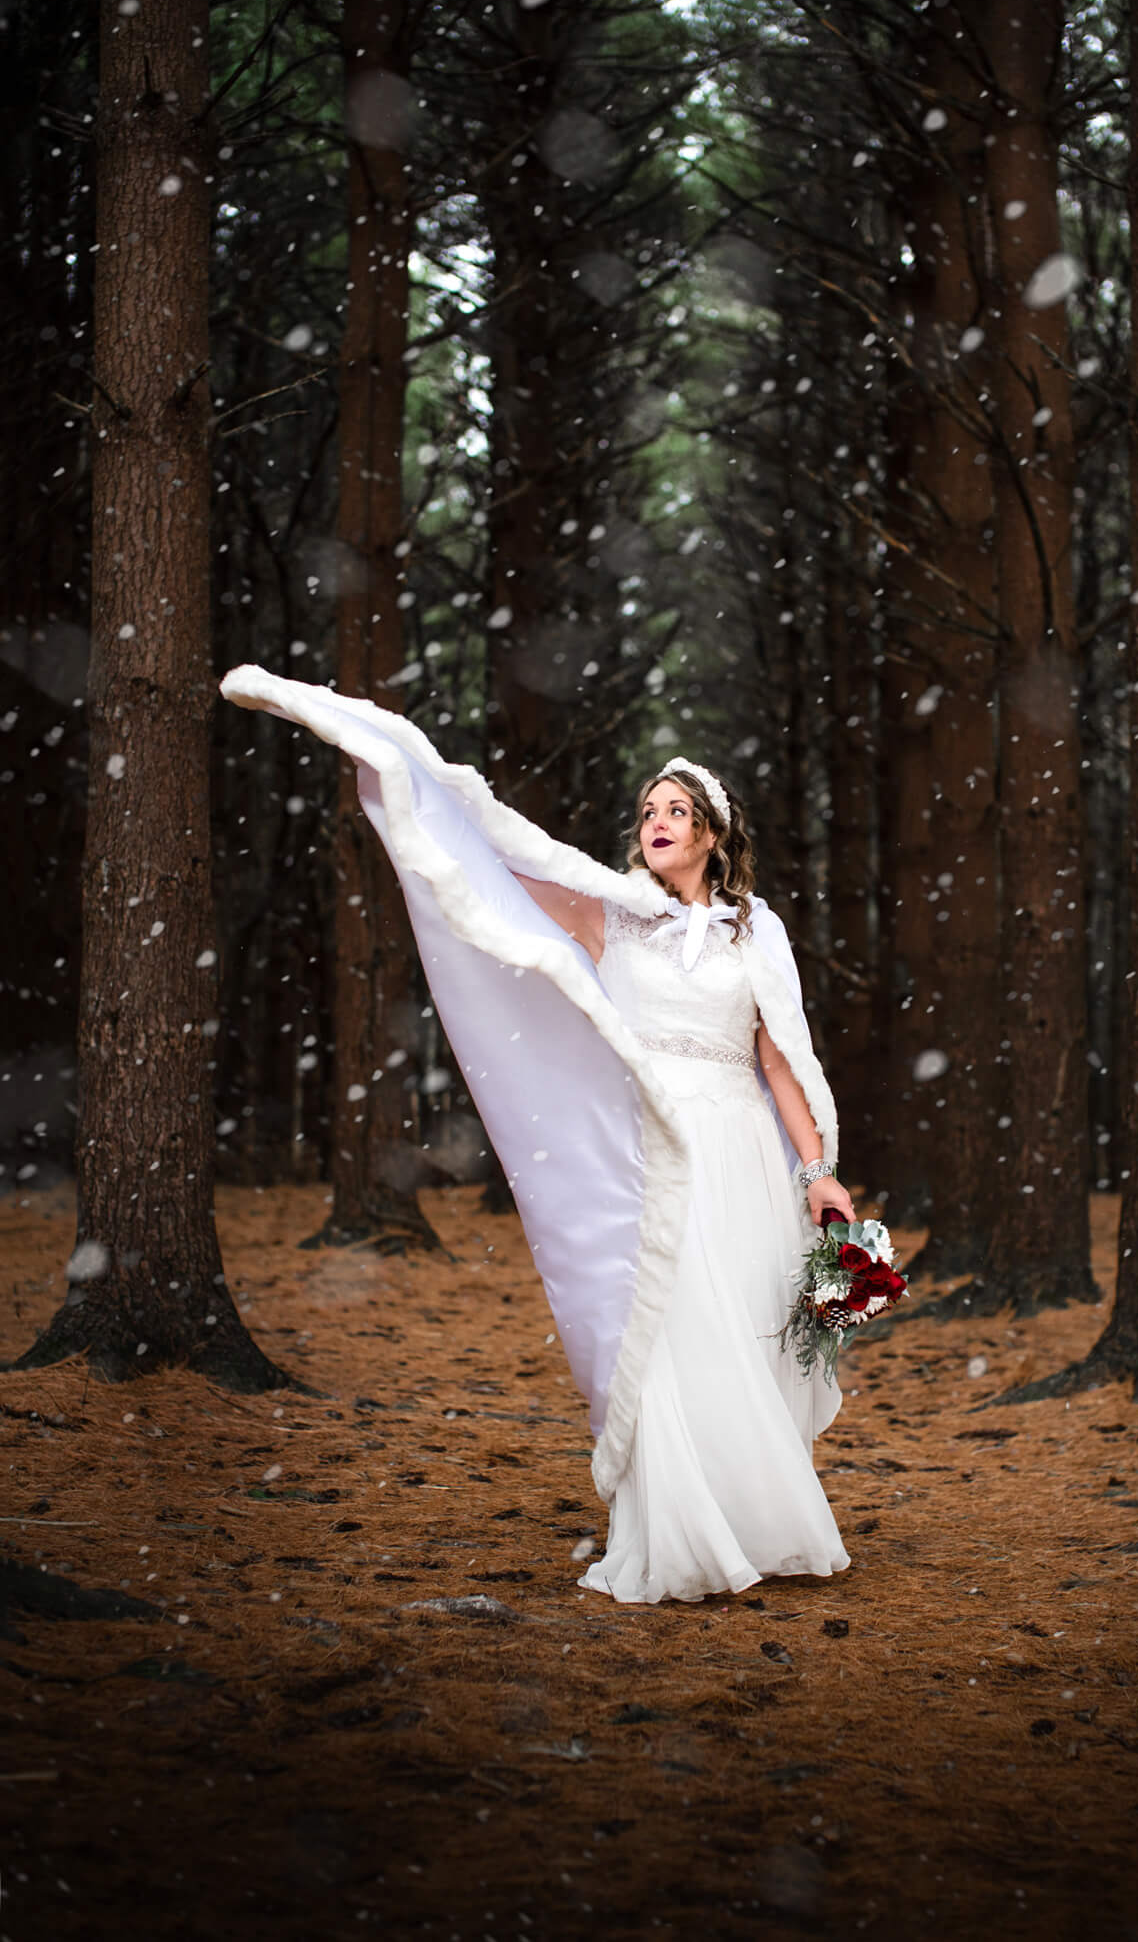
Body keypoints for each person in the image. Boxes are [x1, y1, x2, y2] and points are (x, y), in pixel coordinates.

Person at [220, 665, 853, 1603]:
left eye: (676, 808)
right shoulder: (611, 913)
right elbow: (499, 877)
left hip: (738, 1151)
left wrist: (818, 1171)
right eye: (648, 807)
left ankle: (756, 1519)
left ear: (713, 836)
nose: (657, 818)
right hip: (650, 1146)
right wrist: (412, 792)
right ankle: (677, 1532)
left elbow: (775, 1062)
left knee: (739, 1336)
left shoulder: (754, 932)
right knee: (669, 1331)